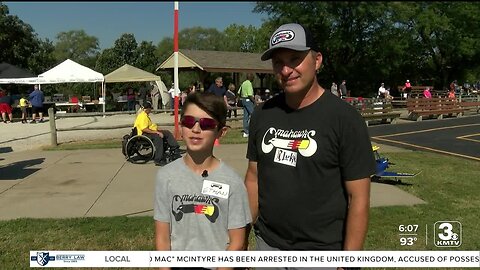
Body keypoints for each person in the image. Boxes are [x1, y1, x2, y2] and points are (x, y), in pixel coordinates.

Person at [246, 23, 375, 260]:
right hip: (267, 246)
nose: (286, 70)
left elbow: (359, 198)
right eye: (278, 62)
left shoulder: (345, 119)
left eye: (295, 59)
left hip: (323, 252)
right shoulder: (262, 114)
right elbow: (253, 179)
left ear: (317, 61)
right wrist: (241, 239)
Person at [154, 92, 252, 253]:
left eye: (206, 124)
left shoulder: (232, 181)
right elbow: (162, 237)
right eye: (189, 121)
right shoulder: (166, 176)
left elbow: (237, 242)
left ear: (221, 132)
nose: (196, 129)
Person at [133, 102, 182, 166]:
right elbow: (144, 129)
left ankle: (175, 149)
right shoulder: (142, 116)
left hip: (148, 132)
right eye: (150, 109)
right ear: (147, 109)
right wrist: (157, 132)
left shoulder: (145, 115)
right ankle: (158, 159)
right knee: (158, 138)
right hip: (143, 135)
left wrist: (158, 130)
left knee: (167, 132)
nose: (151, 111)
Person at [238, 73, 255, 138]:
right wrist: (254, 102)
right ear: (250, 77)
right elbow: (250, 95)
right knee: (254, 115)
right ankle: (254, 130)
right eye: (253, 77)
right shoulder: (249, 83)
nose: (253, 79)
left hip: (243, 100)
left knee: (246, 117)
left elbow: (239, 92)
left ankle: (246, 132)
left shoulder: (243, 83)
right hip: (248, 100)